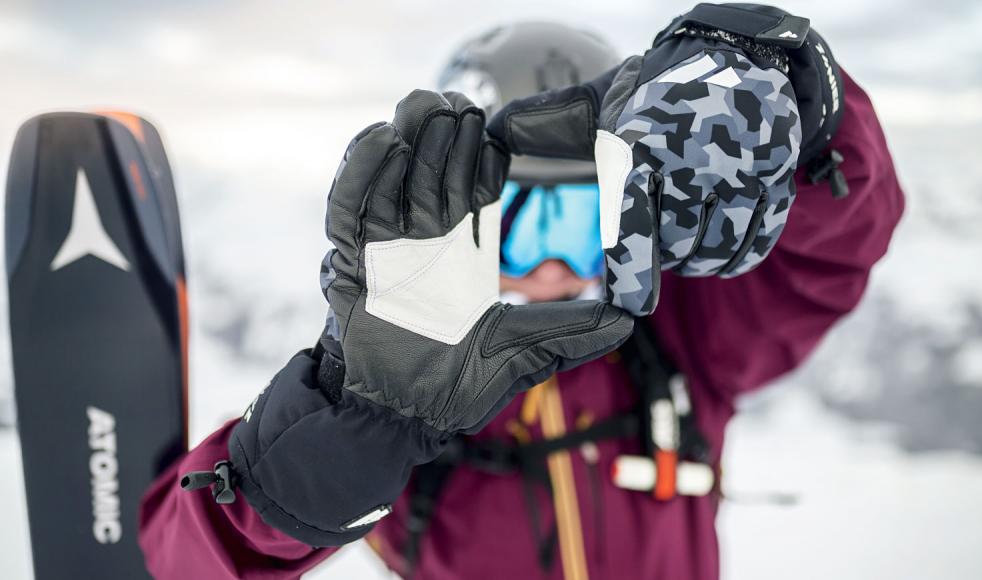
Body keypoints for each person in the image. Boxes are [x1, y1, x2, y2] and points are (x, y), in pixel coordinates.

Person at [138, 6, 905, 580]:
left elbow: (833, 252)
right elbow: (190, 555)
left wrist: (800, 104)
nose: (547, 231)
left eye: (573, 187)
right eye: (510, 193)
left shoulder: (682, 337)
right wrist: (350, 423)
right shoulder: (398, 360)